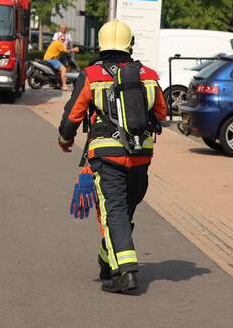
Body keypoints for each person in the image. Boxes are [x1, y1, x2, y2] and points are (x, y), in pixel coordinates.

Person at [57, 19, 166, 294]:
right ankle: (107, 262)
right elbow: (162, 114)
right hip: (141, 155)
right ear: (130, 45)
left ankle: (126, 273)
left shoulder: (92, 74)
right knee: (123, 210)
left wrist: (65, 139)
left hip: (106, 156)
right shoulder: (149, 74)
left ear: (101, 44)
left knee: (113, 211)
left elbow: (73, 116)